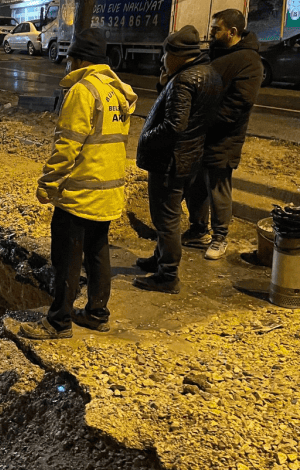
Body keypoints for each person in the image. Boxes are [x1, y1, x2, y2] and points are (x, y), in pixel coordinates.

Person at [18, 27, 137, 340]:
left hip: (81, 192)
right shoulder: (117, 91)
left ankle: (58, 322)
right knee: (98, 252)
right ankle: (97, 313)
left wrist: (48, 184)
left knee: (67, 259)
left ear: (80, 59)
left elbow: (67, 147)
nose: (67, 63)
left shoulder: (83, 92)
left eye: (70, 57)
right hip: (108, 190)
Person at [134, 25, 222, 294]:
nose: (163, 59)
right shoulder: (209, 74)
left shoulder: (184, 81)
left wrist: (146, 139)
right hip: (191, 158)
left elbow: (174, 125)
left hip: (170, 161)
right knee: (169, 216)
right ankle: (160, 258)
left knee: (166, 219)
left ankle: (167, 275)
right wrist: (165, 82)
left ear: (178, 55)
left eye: (166, 54)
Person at [182, 9, 264, 260]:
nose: (211, 33)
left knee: (217, 187)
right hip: (201, 134)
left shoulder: (250, 62)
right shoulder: (216, 54)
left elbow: (238, 104)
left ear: (232, 32)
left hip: (224, 137)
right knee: (194, 185)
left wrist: (204, 122)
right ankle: (198, 230)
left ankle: (219, 237)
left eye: (216, 29)